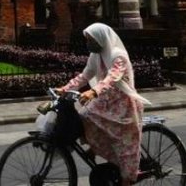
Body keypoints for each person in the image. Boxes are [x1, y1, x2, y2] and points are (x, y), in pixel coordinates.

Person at [56, 23, 151, 186]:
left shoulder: (117, 55)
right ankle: (95, 149)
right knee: (84, 118)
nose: (88, 43)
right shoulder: (96, 55)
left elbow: (113, 77)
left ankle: (127, 178)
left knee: (124, 144)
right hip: (106, 100)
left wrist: (94, 91)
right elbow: (85, 76)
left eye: (90, 39)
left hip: (123, 103)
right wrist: (65, 88)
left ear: (100, 38)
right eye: (87, 40)